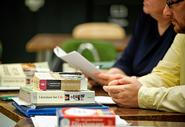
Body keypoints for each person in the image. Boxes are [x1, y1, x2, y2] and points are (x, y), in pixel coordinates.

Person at [103, 0, 185, 113]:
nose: (166, 12)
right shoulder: (182, 35)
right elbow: (166, 75)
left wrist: (141, 95)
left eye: (171, 3)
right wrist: (126, 86)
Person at [90, 0, 176, 86]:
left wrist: (123, 81)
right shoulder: (146, 17)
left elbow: (168, 79)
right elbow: (125, 62)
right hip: (132, 89)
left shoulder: (180, 28)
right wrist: (107, 76)